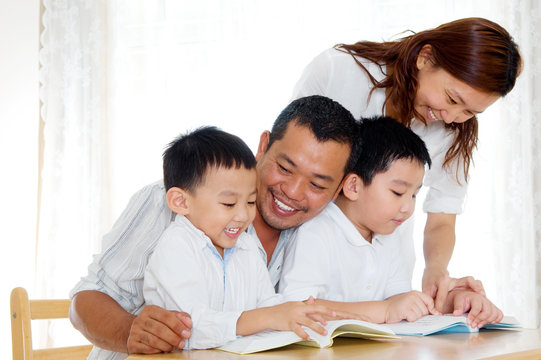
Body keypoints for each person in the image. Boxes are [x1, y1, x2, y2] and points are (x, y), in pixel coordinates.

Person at [69, 95, 360, 357]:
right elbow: (86, 298)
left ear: (338, 191)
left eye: (317, 184)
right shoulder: (172, 203)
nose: (294, 192)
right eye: (284, 168)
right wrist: (130, 331)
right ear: (263, 146)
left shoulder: (314, 233)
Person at [291, 17, 522, 310]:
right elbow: (287, 163)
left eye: (470, 112)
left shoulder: (454, 131)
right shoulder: (339, 72)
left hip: (384, 282)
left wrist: (437, 273)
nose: (451, 118)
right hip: (311, 275)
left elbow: (442, 217)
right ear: (426, 58)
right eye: (451, 98)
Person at [279, 116, 504, 328]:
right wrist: (385, 311)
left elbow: (401, 303)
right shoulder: (315, 233)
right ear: (354, 186)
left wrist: (454, 302)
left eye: (414, 195)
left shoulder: (388, 235)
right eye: (398, 192)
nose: (408, 207)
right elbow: (295, 308)